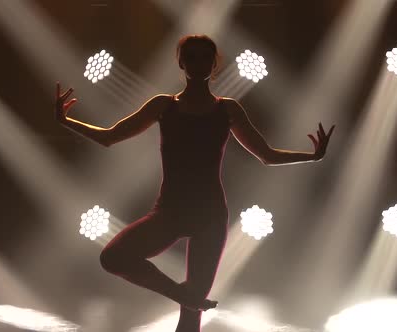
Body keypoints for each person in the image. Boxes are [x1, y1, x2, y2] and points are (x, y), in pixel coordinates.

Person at [55, 35, 334, 332]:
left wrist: (312, 156)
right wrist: (66, 121)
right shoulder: (163, 105)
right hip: (170, 212)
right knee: (114, 257)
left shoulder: (227, 110)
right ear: (181, 62)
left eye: (205, 57)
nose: (198, 62)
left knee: (191, 317)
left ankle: (187, 298)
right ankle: (181, 294)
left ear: (214, 64)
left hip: (210, 216)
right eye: (192, 56)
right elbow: (110, 136)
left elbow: (265, 155)